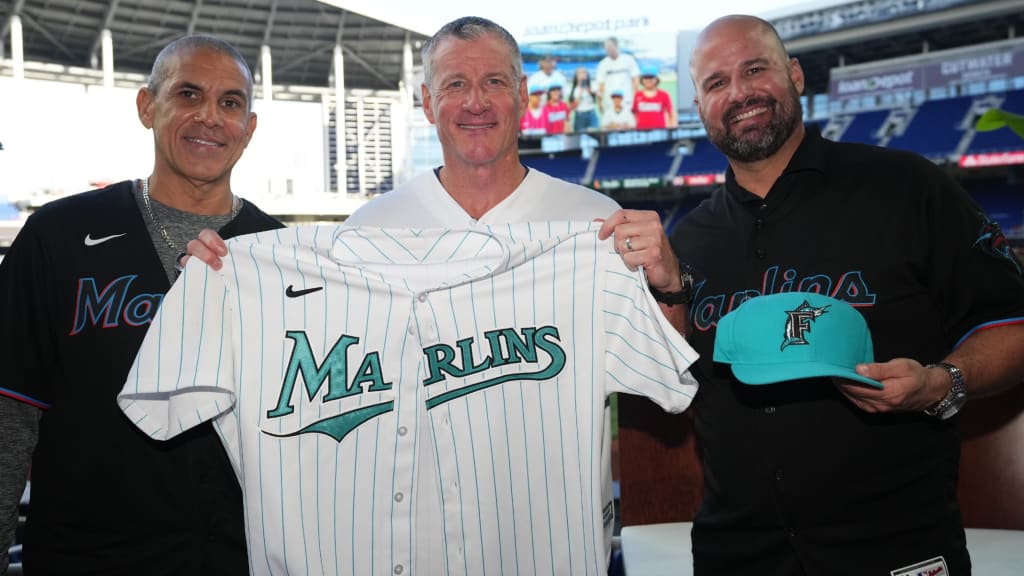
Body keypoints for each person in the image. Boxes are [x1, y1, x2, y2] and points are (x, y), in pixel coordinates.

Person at [177, 15, 695, 576]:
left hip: (545, 545)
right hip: (408, 547)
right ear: (427, 102)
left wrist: (669, 284)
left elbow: (663, 374)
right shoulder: (367, 228)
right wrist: (217, 289)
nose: (476, 101)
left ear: (523, 95)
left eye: (495, 82)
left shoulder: (594, 224)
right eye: (455, 85)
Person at [670, 14, 1024, 575]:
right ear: (700, 108)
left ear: (795, 75)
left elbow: (1011, 325)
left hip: (895, 547)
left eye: (754, 69)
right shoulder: (685, 242)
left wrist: (940, 383)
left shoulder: (907, 187)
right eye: (716, 83)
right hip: (739, 554)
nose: (739, 93)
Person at [0, 34, 283, 575]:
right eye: (188, 94)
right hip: (86, 556)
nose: (209, 117)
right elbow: (10, 416)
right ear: (147, 106)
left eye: (230, 103)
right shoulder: (58, 235)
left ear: (248, 127)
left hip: (238, 559)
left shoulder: (277, 253)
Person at [596, 37, 640, 120]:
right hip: (609, 101)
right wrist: (600, 102)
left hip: (627, 100)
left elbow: (635, 80)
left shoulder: (628, 60)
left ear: (616, 46)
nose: (608, 49)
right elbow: (601, 84)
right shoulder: (603, 64)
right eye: (606, 47)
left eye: (610, 46)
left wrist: (636, 97)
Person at [632, 66, 677, 130]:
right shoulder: (637, 95)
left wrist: (672, 128)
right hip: (641, 132)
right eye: (645, 77)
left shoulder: (664, 95)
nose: (648, 80)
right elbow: (634, 113)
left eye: (651, 77)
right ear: (642, 80)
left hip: (660, 131)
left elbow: (671, 114)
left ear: (656, 79)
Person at [568, 66, 600, 132]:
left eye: (584, 72)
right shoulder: (573, 90)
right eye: (580, 73)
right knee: (579, 136)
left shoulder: (592, 86)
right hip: (580, 115)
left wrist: (591, 91)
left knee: (597, 135)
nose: (582, 75)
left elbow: (599, 98)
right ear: (576, 76)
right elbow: (572, 107)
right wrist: (580, 94)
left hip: (591, 113)